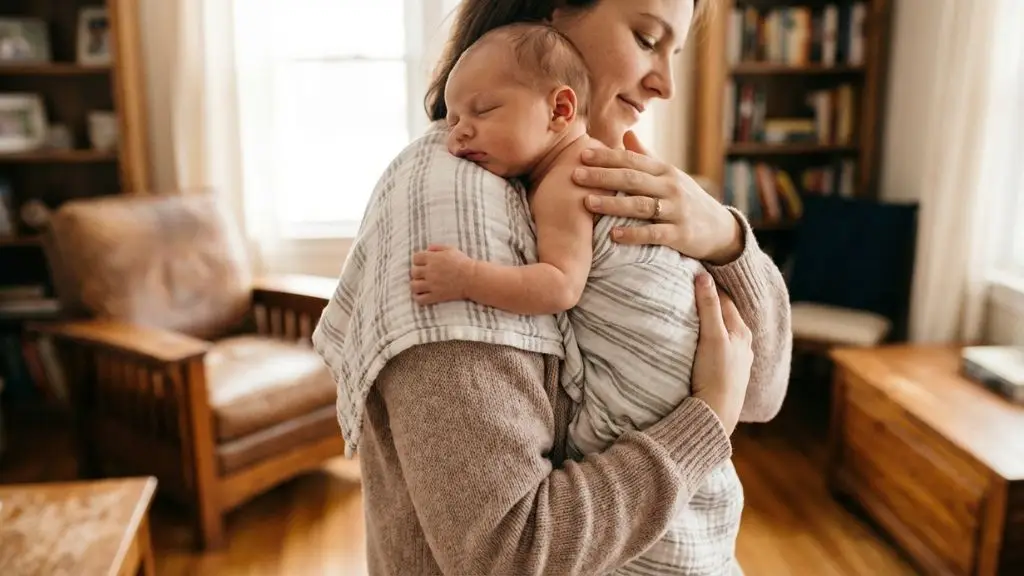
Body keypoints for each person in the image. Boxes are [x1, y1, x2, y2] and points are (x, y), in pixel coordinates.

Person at [311, 1, 793, 575]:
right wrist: (706, 420)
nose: (664, 84)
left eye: (674, 53)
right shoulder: (456, 201)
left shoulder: (603, 179)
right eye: (645, 38)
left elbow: (762, 393)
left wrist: (724, 236)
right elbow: (508, 552)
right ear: (549, 11)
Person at [411, 21, 740, 575]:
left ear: (561, 110)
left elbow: (559, 286)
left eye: (482, 111)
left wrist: (466, 277)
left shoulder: (569, 175)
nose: (457, 136)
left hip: (651, 370)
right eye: (454, 118)